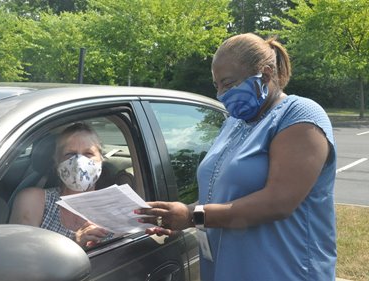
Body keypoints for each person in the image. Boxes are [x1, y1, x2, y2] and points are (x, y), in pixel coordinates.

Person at [136, 33, 337, 280]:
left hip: (284, 269)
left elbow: (278, 202)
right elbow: (221, 195)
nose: (221, 94)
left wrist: (192, 216)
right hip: (226, 269)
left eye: (229, 84)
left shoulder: (300, 115)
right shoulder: (235, 122)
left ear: (264, 74)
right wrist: (179, 215)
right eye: (217, 85)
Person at [10, 122, 110, 248]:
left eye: (88, 154)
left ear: (101, 160)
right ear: (57, 162)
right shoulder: (33, 200)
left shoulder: (114, 208)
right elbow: (20, 257)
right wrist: (74, 245)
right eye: (70, 154)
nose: (79, 162)